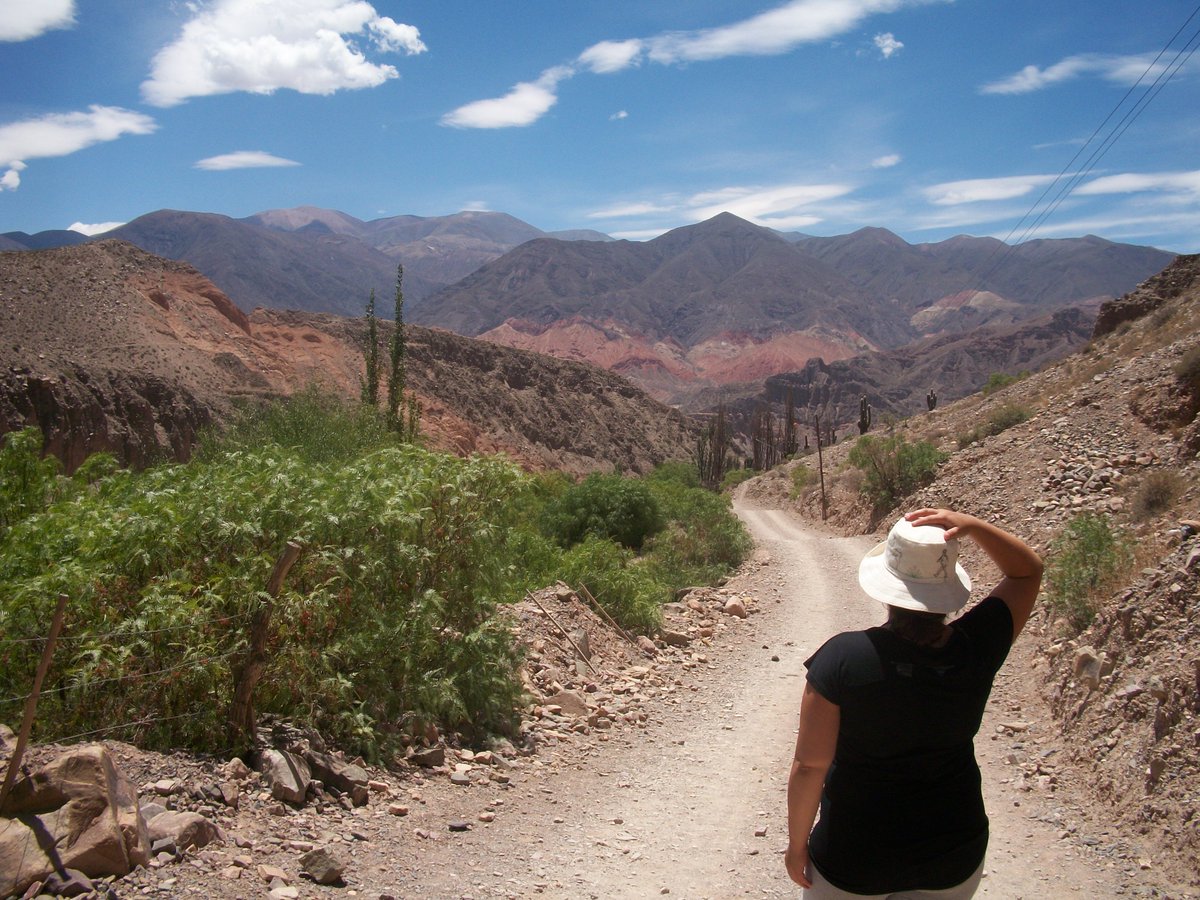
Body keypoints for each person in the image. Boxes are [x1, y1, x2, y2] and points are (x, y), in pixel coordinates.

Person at [785, 508, 1043, 899]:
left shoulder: (843, 658)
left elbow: (810, 766)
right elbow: (1027, 571)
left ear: (887, 585)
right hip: (951, 852)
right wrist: (972, 526)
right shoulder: (978, 645)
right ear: (948, 589)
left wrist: (797, 845)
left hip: (853, 855)